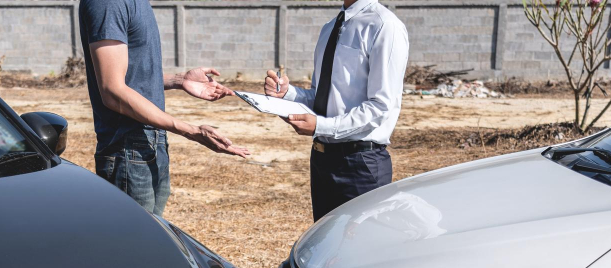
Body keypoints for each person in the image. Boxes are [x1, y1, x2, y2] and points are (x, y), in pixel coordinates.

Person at [80, 0, 249, 215]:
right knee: (133, 243)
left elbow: (133, 79)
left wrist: (179, 80)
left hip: (150, 140)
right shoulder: (109, 3)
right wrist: (191, 130)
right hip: (127, 147)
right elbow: (113, 91)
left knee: (153, 239)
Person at [264, 0, 408, 221]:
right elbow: (323, 97)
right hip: (322, 160)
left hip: (361, 164)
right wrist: (288, 94)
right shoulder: (330, 27)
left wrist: (321, 126)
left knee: (362, 250)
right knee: (326, 250)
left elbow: (380, 106)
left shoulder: (384, 25)